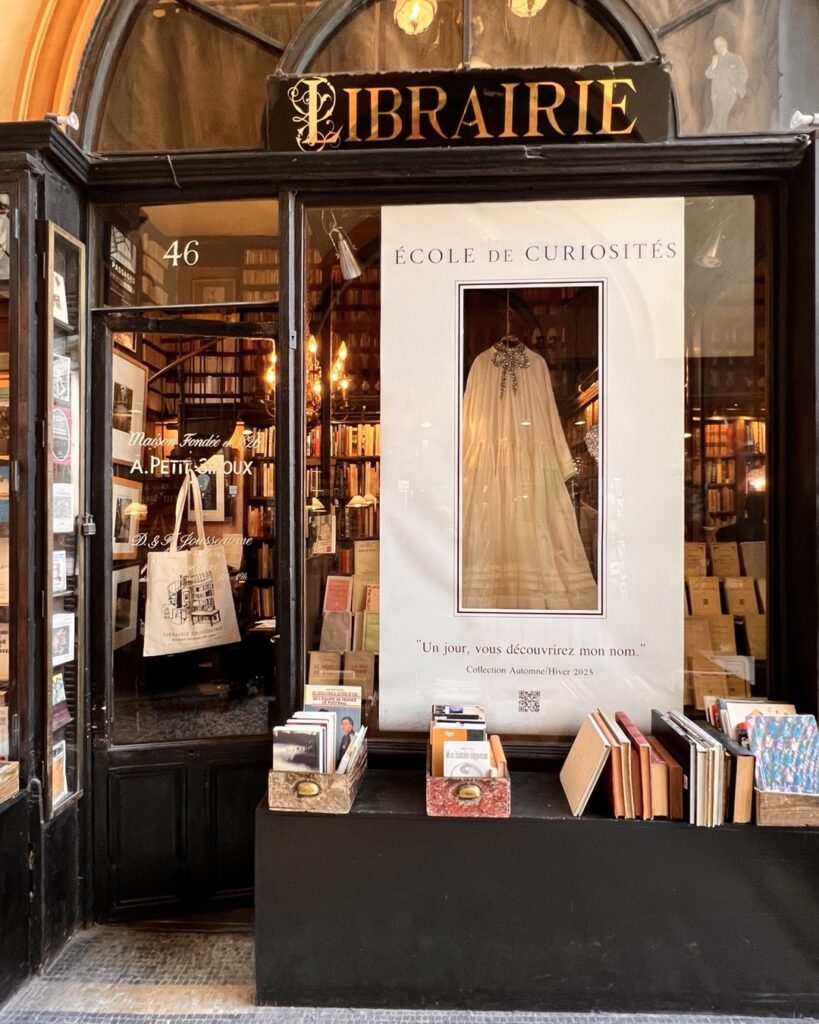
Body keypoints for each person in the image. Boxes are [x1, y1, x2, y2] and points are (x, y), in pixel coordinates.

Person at [705, 36, 748, 134]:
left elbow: (744, 74)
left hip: (728, 94)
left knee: (720, 118)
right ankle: (715, 137)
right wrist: (714, 66)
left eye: (720, 45)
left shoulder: (735, 59)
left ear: (725, 44)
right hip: (716, 95)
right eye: (716, 46)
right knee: (718, 119)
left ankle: (715, 137)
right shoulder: (716, 59)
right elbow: (708, 74)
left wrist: (736, 89)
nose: (719, 47)